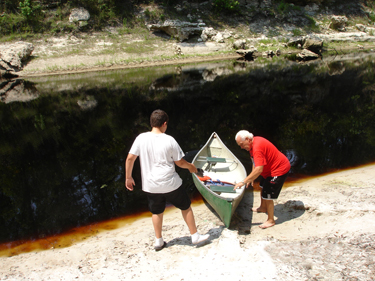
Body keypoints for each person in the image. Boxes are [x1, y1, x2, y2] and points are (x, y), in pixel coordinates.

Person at [125, 109, 210, 251]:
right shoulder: (169, 140)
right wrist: (191, 167)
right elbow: (180, 163)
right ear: (164, 124)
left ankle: (158, 241)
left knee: (156, 212)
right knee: (185, 207)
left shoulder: (141, 138)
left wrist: (128, 177)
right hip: (171, 184)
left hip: (151, 186)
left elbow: (130, 158)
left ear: (152, 123)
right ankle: (194, 236)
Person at [234, 130, 290, 229]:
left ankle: (271, 220)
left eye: (242, 144)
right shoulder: (252, 143)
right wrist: (251, 177)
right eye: (240, 146)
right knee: (262, 186)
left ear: (247, 139)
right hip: (269, 170)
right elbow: (254, 162)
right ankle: (263, 207)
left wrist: (244, 181)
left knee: (268, 194)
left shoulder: (257, 147)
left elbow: (259, 169)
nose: (241, 147)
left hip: (279, 169)